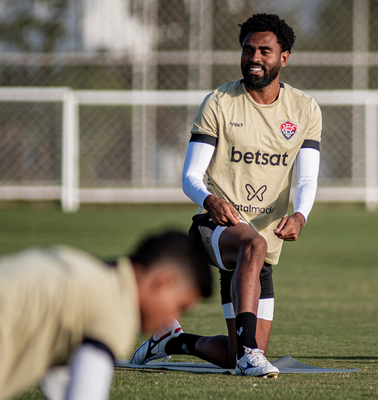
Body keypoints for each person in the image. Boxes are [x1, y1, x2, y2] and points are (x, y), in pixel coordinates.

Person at [131, 13, 321, 378]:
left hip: (260, 245)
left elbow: (307, 177)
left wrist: (301, 214)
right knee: (253, 249)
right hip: (215, 228)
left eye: (265, 51)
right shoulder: (219, 101)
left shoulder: (305, 109)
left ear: (283, 58)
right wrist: (208, 200)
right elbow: (190, 175)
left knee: (233, 354)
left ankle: (171, 341)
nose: (254, 57)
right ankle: (251, 353)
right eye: (248, 49)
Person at [0, 231, 211, 400]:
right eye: (180, 307)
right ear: (163, 282)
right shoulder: (115, 306)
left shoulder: (91, 274)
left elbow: (60, 382)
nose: (172, 318)